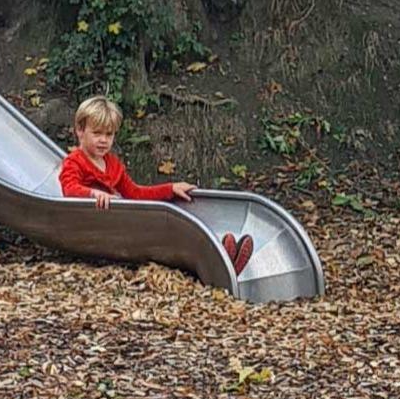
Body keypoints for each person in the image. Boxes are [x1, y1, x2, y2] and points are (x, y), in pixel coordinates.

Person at [57, 94, 254, 275]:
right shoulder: (74, 161)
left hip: (116, 222)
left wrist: (170, 188)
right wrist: (93, 194)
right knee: (164, 234)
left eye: (109, 135)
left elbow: (135, 193)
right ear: (80, 131)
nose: (103, 140)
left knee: (173, 223)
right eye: (97, 133)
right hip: (94, 226)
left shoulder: (113, 163)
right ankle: (218, 261)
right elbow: (69, 188)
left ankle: (225, 260)